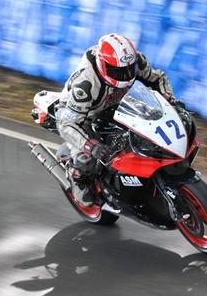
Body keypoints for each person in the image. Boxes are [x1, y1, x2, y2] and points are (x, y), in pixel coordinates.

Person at [55, 33, 181, 208]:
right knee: (88, 158)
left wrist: (170, 99)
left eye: (130, 69)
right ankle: (78, 179)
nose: (126, 75)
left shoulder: (135, 61)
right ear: (103, 65)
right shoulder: (86, 84)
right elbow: (67, 125)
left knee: (142, 133)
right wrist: (93, 147)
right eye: (118, 71)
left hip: (117, 102)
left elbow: (157, 78)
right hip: (83, 113)